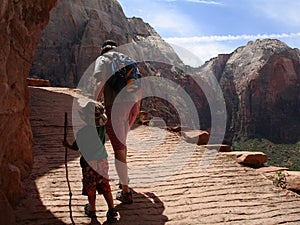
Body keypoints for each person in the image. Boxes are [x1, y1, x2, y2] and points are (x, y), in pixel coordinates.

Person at [93, 40, 141, 204]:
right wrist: (137, 107)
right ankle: (124, 179)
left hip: (115, 106)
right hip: (131, 104)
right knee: (122, 143)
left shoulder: (103, 59)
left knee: (118, 148)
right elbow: (138, 84)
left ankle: (125, 192)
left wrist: (94, 103)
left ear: (103, 50)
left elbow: (100, 81)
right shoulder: (127, 60)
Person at [63, 101, 118, 223]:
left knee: (90, 187)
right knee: (105, 186)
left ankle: (92, 210)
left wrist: (67, 145)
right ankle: (112, 209)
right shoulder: (102, 129)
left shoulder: (82, 132)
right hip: (102, 161)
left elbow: (76, 147)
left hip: (89, 164)